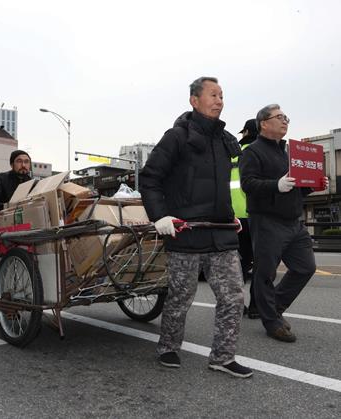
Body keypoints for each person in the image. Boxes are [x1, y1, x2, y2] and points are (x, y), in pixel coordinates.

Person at [139, 76, 252, 378]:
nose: (220, 101)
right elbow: (149, 178)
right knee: (180, 297)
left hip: (220, 232)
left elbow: (222, 187)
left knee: (234, 297)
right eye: (213, 95)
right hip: (186, 232)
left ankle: (223, 357)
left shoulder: (224, 140)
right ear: (194, 100)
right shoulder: (176, 137)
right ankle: (168, 347)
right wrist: (160, 216)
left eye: (222, 95)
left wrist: (229, 215)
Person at [239, 104, 327, 343]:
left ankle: (273, 308)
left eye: (286, 117)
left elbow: (296, 189)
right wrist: (274, 185)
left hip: (293, 221)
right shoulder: (252, 152)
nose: (285, 120)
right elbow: (248, 184)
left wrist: (313, 185)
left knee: (305, 267)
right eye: (279, 117)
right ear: (264, 124)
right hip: (267, 220)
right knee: (265, 273)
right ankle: (272, 322)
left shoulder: (289, 152)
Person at [231, 119, 258, 318]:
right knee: (259, 263)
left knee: (238, 263)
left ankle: (236, 304)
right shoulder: (259, 151)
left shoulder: (232, 153)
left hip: (231, 217)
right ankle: (257, 306)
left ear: (247, 132)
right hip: (254, 214)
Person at [0, 150, 32, 216]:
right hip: (5, 218)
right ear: (11, 164)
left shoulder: (31, 182)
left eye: (26, 162)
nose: (23, 165)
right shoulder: (2, 178)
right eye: (19, 161)